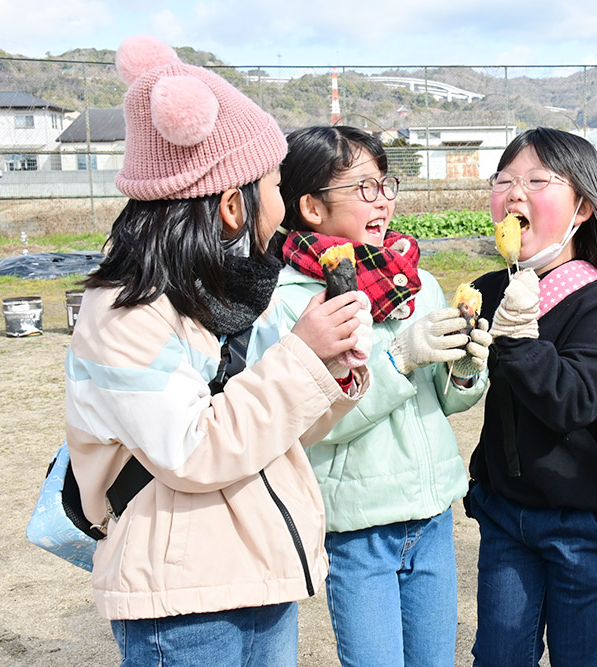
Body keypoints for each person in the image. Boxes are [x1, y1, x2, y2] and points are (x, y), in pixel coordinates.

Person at [65, 37, 372, 666]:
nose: (283, 207)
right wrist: (299, 360)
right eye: (274, 185)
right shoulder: (127, 310)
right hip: (183, 597)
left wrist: (330, 369)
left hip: (250, 570)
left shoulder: (213, 296)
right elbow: (193, 451)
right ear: (235, 204)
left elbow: (262, 431)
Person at [273, 125, 490, 667]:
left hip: (433, 512)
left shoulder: (419, 283)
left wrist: (464, 367)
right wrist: (399, 358)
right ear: (311, 207)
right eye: (362, 187)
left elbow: (447, 402)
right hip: (358, 526)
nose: (384, 200)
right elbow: (310, 425)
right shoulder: (295, 305)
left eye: (386, 184)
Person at [467, 128, 597, 666]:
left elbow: (573, 402)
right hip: (507, 512)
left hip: (583, 517)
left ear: (583, 207)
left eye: (537, 181)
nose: (514, 194)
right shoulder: (489, 289)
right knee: (499, 657)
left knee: (582, 658)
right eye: (504, 181)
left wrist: (521, 339)